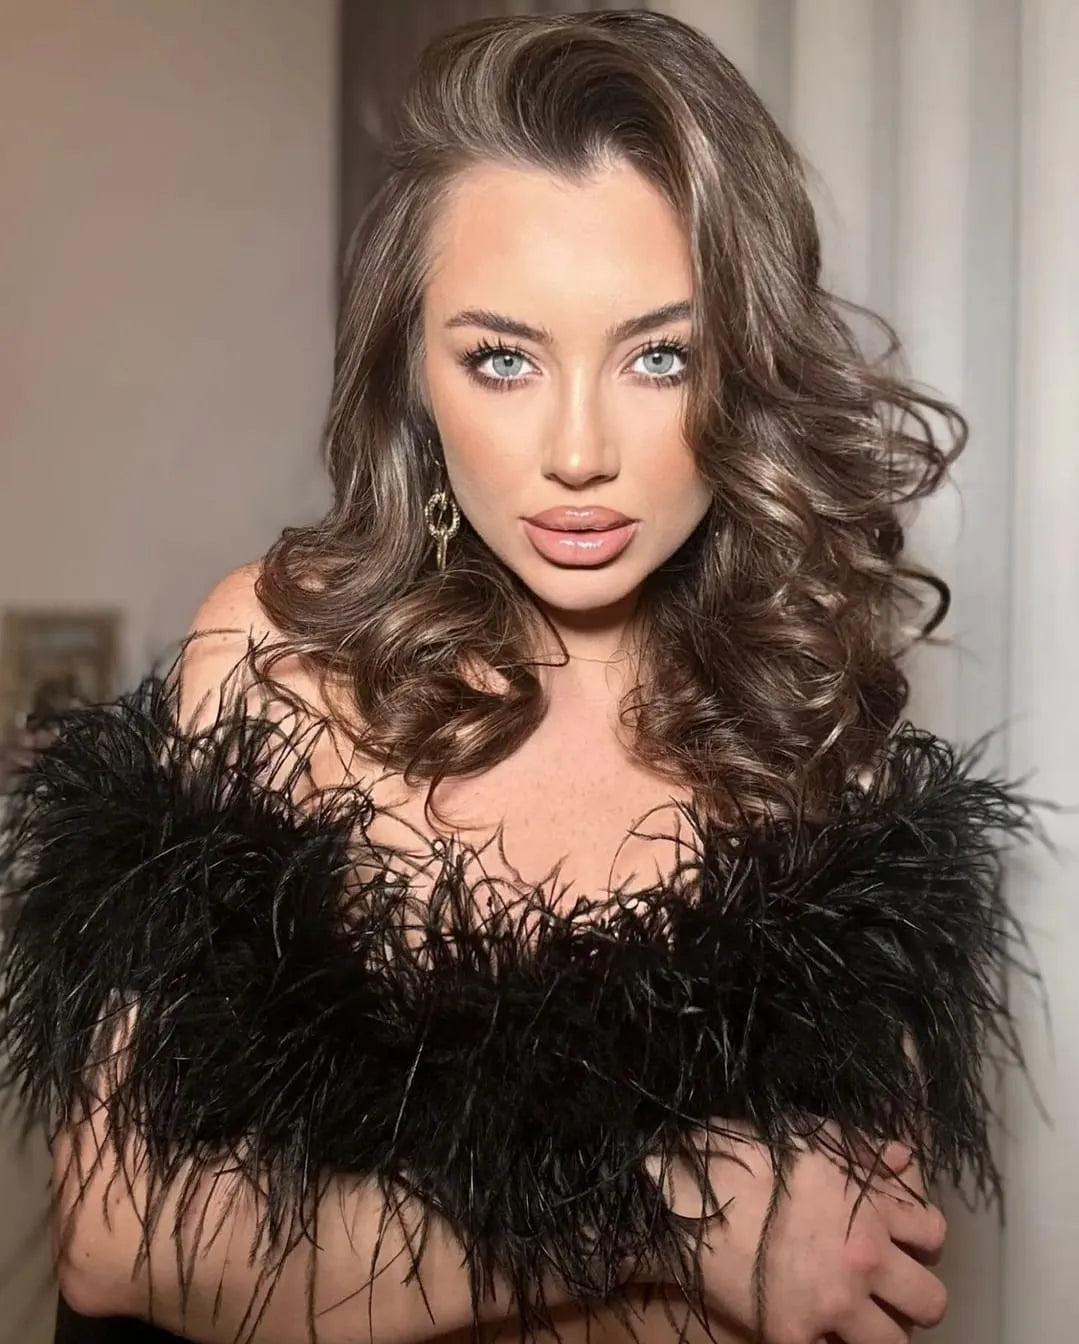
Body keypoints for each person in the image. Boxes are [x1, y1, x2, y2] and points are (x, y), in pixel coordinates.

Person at [0, 10, 1037, 1344]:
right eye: (503, 358)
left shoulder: (810, 722)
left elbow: (841, 1260)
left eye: (660, 355)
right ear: (415, 378)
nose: (579, 451)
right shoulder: (283, 661)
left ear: (747, 367)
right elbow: (119, 1238)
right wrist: (659, 1213)